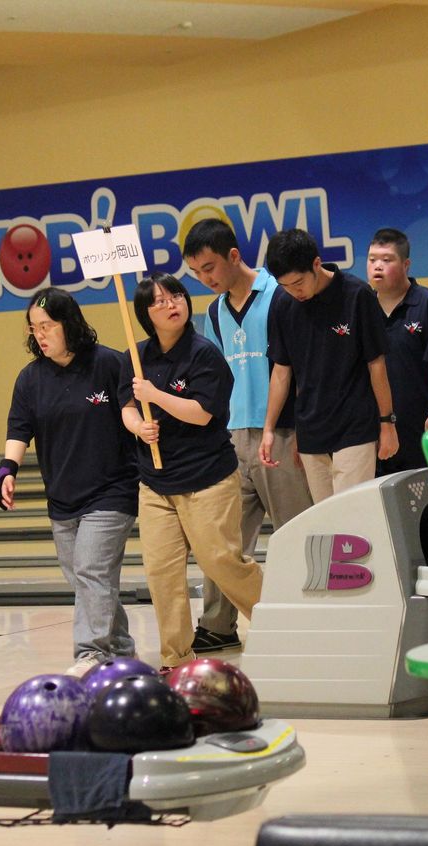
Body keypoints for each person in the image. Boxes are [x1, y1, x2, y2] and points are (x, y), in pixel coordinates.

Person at [119, 273, 263, 670]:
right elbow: (126, 405)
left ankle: (283, 626)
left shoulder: (204, 354)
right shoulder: (135, 356)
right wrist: (138, 425)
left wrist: (156, 396)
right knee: (162, 574)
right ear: (145, 315)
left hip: (207, 480)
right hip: (156, 485)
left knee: (221, 561)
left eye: (177, 296)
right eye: (160, 301)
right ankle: (175, 659)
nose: (172, 304)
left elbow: (202, 414)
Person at [182, 218, 312, 654]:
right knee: (222, 542)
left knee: (295, 533)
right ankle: (218, 624)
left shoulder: (280, 294)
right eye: (197, 272)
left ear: (234, 256)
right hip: (231, 437)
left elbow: (295, 366)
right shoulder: (214, 312)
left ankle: (305, 616)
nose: (206, 278)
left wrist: (286, 431)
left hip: (283, 432)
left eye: (210, 267)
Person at [0, 287, 139, 678]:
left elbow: (131, 413)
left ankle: (90, 652)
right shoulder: (30, 379)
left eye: (47, 326)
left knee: (92, 570)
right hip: (62, 497)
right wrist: (7, 470)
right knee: (88, 580)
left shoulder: (109, 364)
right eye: (34, 328)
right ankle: (122, 650)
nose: (40, 335)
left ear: (69, 324)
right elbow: (19, 428)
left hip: (112, 490)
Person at [262, 228, 398, 502]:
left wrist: (387, 423)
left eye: (298, 282)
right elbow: (282, 372)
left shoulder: (357, 295)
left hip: (355, 425)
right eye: (285, 286)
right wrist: (269, 429)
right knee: (326, 523)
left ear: (316, 264)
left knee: (352, 517)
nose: (294, 291)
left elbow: (377, 365)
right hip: (311, 429)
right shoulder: (283, 305)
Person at [365, 227, 428, 474]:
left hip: (421, 425)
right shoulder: (362, 306)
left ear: (406, 264)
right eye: (372, 260)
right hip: (375, 429)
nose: (377, 266)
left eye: (387, 260)